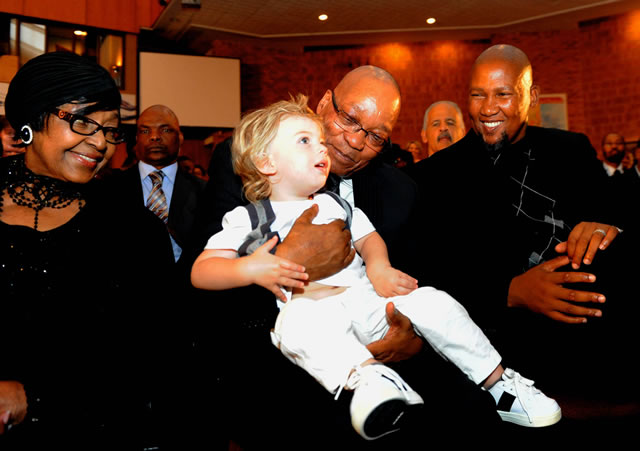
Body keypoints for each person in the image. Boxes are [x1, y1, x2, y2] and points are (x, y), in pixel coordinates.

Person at [192, 96, 561, 439]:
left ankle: (500, 384)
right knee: (294, 324)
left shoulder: (336, 204)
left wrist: (379, 268)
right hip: (318, 314)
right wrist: (252, 269)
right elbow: (202, 271)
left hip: (370, 305)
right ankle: (370, 383)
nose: (322, 147)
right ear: (267, 162)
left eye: (319, 140)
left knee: (433, 301)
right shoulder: (249, 217)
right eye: (304, 141)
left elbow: (369, 240)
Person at [409, 44, 638, 401]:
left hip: (593, 357)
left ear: (531, 96)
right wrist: (510, 292)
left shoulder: (572, 150)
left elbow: (618, 213)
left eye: (502, 94)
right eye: (477, 95)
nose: (488, 109)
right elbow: (427, 274)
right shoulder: (431, 177)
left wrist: (604, 225)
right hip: (497, 364)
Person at [0, 51, 174, 449]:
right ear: (32, 116)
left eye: (111, 130)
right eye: (83, 122)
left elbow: (150, 359)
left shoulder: (135, 231)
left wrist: (32, 397)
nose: (99, 143)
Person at [110, 104, 205, 265]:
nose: (154, 137)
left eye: (165, 130)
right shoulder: (110, 188)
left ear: (180, 138)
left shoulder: (204, 191)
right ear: (136, 139)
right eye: (145, 131)